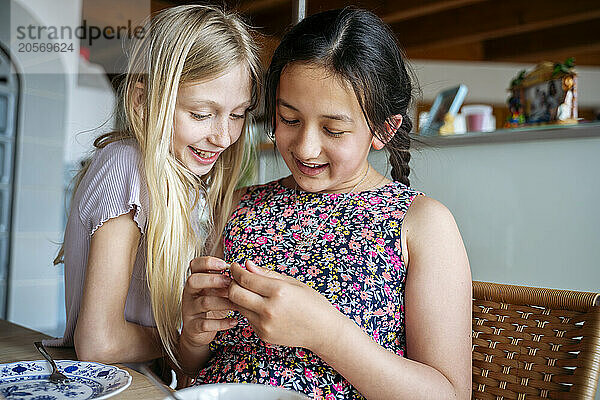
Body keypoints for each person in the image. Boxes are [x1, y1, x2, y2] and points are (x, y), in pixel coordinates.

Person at [179, 8, 472, 399]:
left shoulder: (423, 223)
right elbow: (187, 372)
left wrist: (326, 333)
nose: (306, 147)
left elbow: (449, 395)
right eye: (290, 119)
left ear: (384, 129)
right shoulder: (235, 206)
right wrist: (194, 334)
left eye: (333, 129)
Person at [45, 4, 261, 367]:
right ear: (144, 100)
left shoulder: (186, 183)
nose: (224, 136)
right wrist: (182, 339)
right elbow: (100, 344)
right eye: (201, 114)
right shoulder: (126, 165)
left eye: (238, 115)